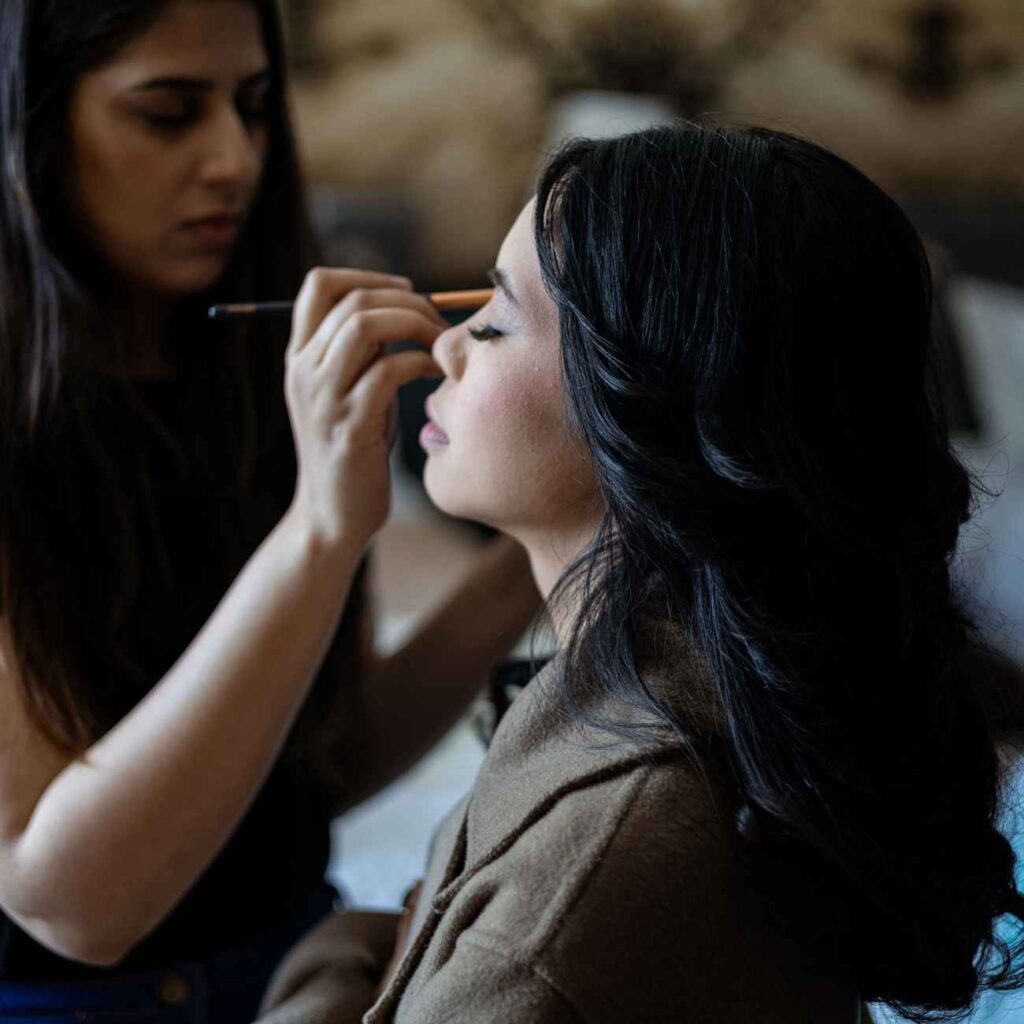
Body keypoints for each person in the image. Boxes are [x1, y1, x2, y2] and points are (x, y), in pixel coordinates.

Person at [256, 123, 1024, 1024]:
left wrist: (336, 958)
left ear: (644, 408)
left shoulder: (573, 906)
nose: (447, 348)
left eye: (495, 321)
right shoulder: (701, 706)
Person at [0, 2, 538, 1020]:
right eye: (168, 113)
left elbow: (318, 761)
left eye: (253, 108)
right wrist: (321, 528)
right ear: (27, 125)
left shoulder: (253, 365)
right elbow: (69, 902)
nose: (233, 159)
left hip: (300, 966)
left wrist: (550, 529)